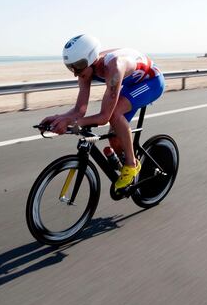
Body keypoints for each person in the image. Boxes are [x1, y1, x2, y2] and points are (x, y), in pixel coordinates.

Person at [41, 34, 166, 189]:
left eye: (78, 66)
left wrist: (72, 123)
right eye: (70, 67)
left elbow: (104, 117)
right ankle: (126, 163)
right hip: (130, 83)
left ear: (92, 59)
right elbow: (80, 110)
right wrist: (59, 118)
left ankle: (132, 165)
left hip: (151, 82)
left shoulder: (114, 67)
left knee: (114, 114)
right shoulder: (84, 68)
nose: (75, 73)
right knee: (114, 138)